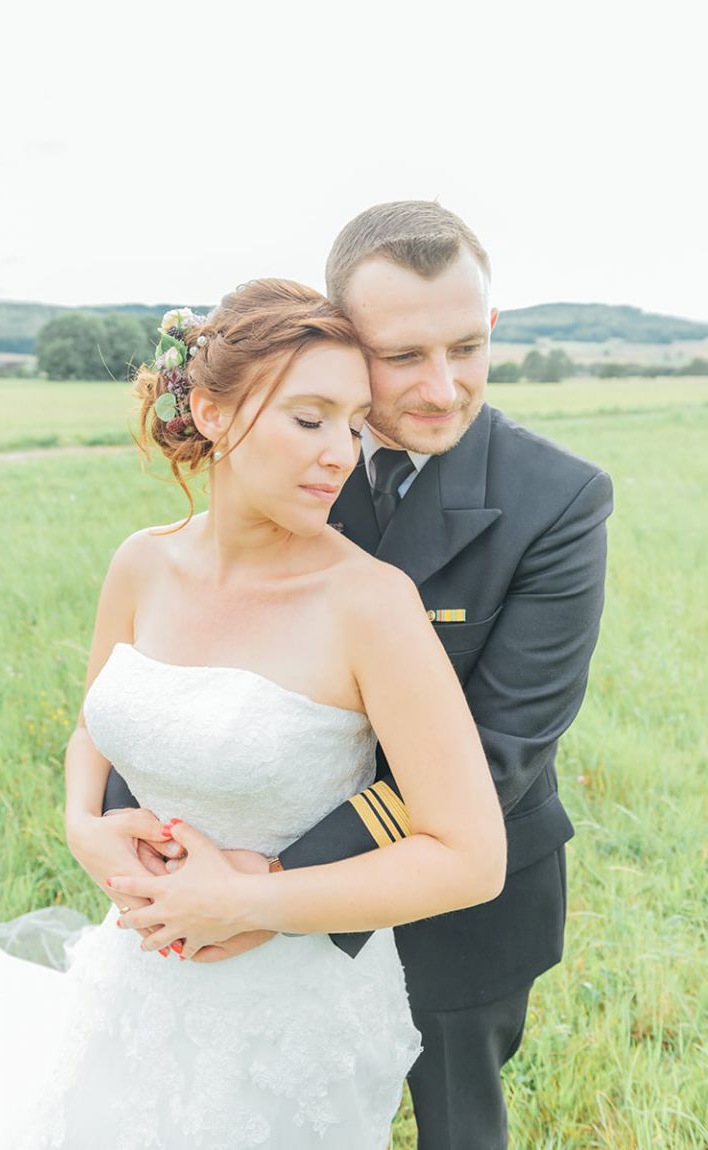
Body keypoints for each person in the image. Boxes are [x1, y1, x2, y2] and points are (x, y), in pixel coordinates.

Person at [0, 279, 506, 1150]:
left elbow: (470, 859)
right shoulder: (142, 563)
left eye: (353, 424)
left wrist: (249, 901)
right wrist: (81, 827)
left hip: (287, 1016)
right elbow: (95, 726)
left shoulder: (371, 604)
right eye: (308, 418)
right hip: (135, 967)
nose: (340, 454)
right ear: (209, 410)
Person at [105, 202, 614, 1149]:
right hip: (212, 894)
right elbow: (179, 665)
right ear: (343, 341)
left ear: (492, 326)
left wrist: (266, 883)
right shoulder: (282, 460)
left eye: (466, 347)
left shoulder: (560, 499)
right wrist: (149, 846)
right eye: (403, 356)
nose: (442, 386)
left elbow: (502, 749)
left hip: (460, 911)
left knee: (458, 1128)